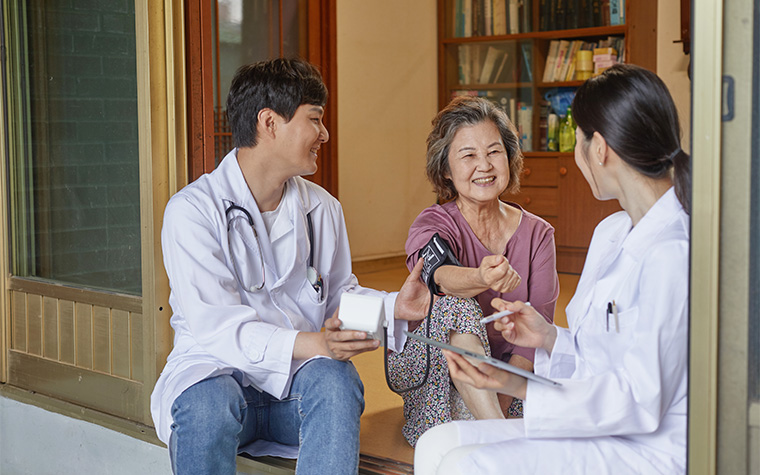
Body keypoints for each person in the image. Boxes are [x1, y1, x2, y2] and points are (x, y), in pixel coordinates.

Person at [150, 58, 428, 475]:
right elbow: (219, 329)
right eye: (315, 119)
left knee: (337, 382)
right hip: (218, 383)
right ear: (269, 123)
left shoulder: (323, 208)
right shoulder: (192, 211)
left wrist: (392, 308)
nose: (324, 133)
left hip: (293, 394)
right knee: (207, 405)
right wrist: (317, 344)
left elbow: (338, 297)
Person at [415, 63, 691, 474]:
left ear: (599, 149)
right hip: (596, 421)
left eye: (577, 140)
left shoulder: (673, 253)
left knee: (465, 465)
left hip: (642, 445)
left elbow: (639, 401)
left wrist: (515, 383)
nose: (484, 164)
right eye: (469, 155)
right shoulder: (611, 232)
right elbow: (598, 354)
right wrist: (548, 337)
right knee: (436, 444)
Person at [386, 95, 559, 446]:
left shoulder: (539, 234)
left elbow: (535, 335)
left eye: (494, 152)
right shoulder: (432, 223)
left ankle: (490, 426)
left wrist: (501, 398)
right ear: (446, 170)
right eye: (468, 155)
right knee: (455, 303)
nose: (484, 165)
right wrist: (481, 277)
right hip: (437, 377)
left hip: (506, 380)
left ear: (509, 158)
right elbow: (438, 276)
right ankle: (499, 437)